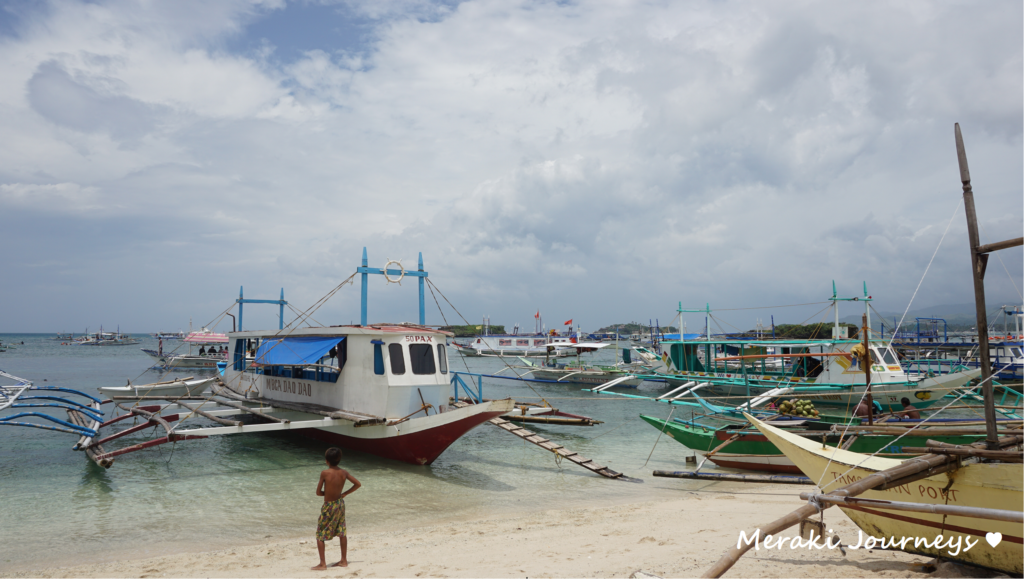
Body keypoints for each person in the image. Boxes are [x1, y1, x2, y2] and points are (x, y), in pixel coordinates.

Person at [312, 447, 361, 570]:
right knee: (341, 531)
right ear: (339, 460)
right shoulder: (344, 472)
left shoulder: (325, 473)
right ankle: (344, 560)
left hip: (329, 505)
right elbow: (358, 484)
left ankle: (322, 564)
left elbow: (318, 492)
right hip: (340, 503)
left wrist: (327, 493)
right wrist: (345, 493)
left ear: (327, 461)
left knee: (320, 534)